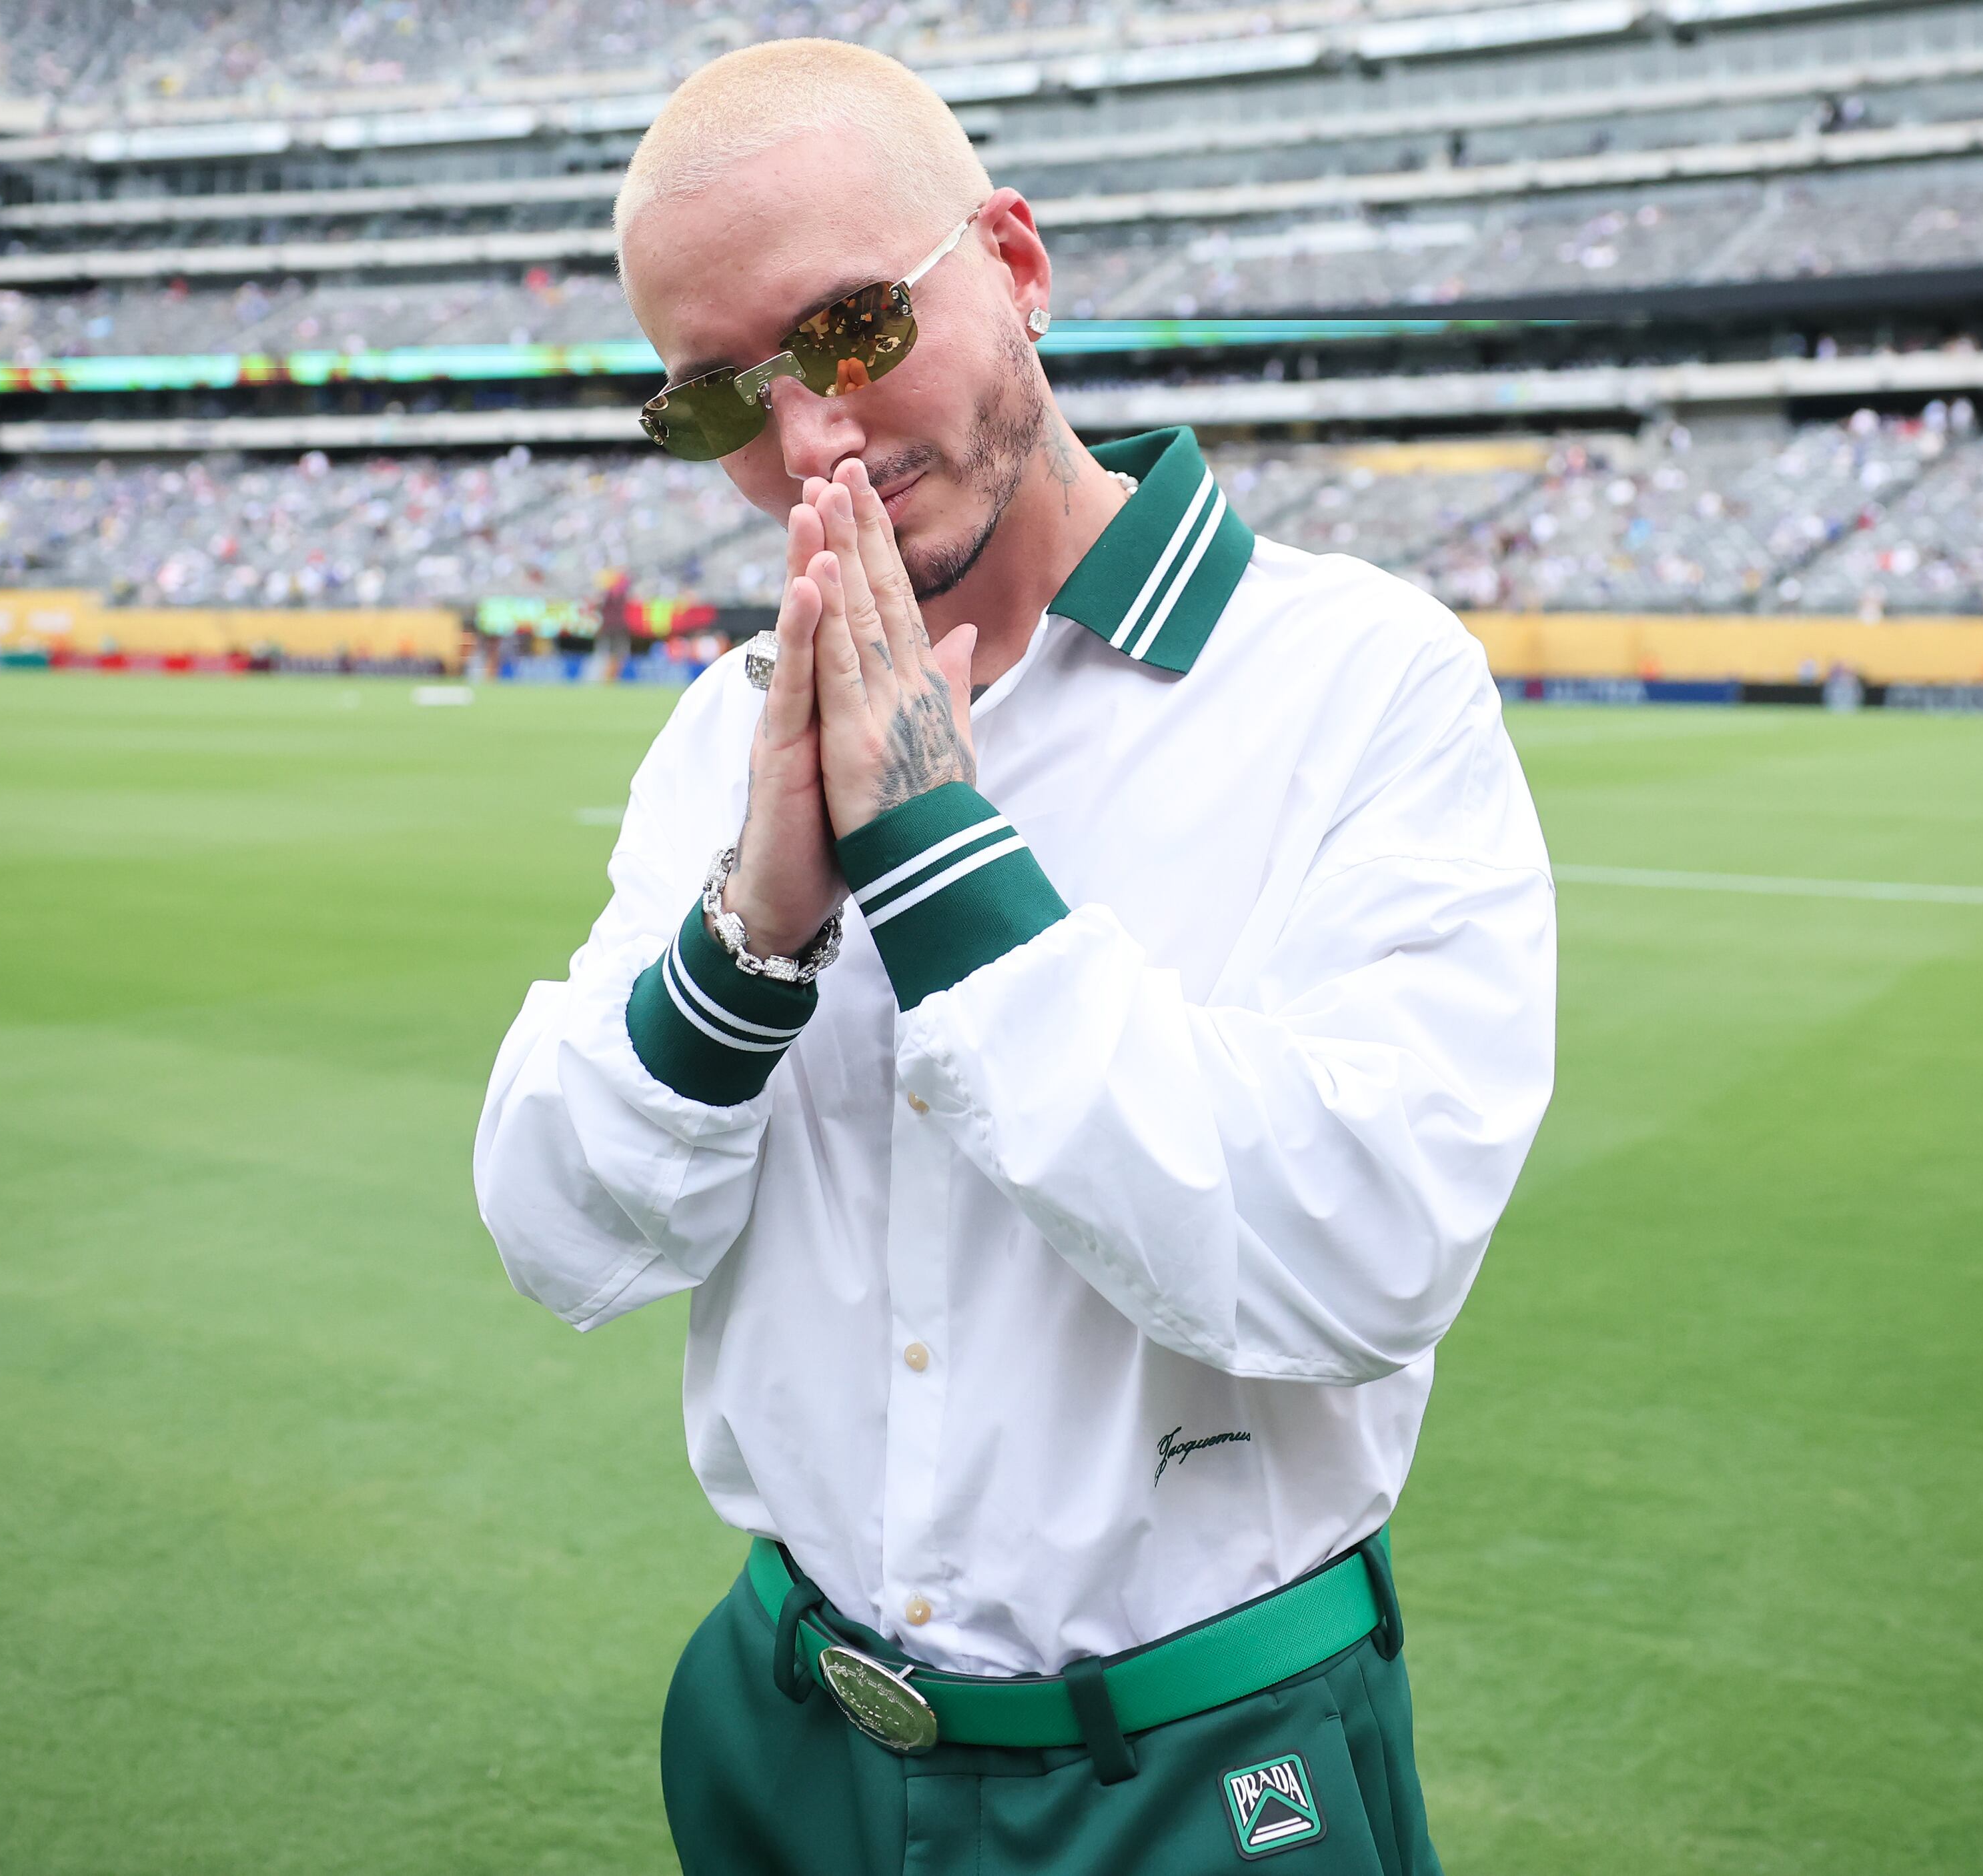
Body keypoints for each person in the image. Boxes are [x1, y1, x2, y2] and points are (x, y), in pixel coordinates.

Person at [472, 39, 1554, 1875]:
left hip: (1204, 1764)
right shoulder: (725, 731)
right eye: (719, 399)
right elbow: (557, 1232)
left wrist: (939, 860)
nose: (808, 441)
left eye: (848, 331)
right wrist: (749, 937)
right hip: (786, 1724)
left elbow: (1365, 1251)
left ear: (1020, 267)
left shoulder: (1362, 679)